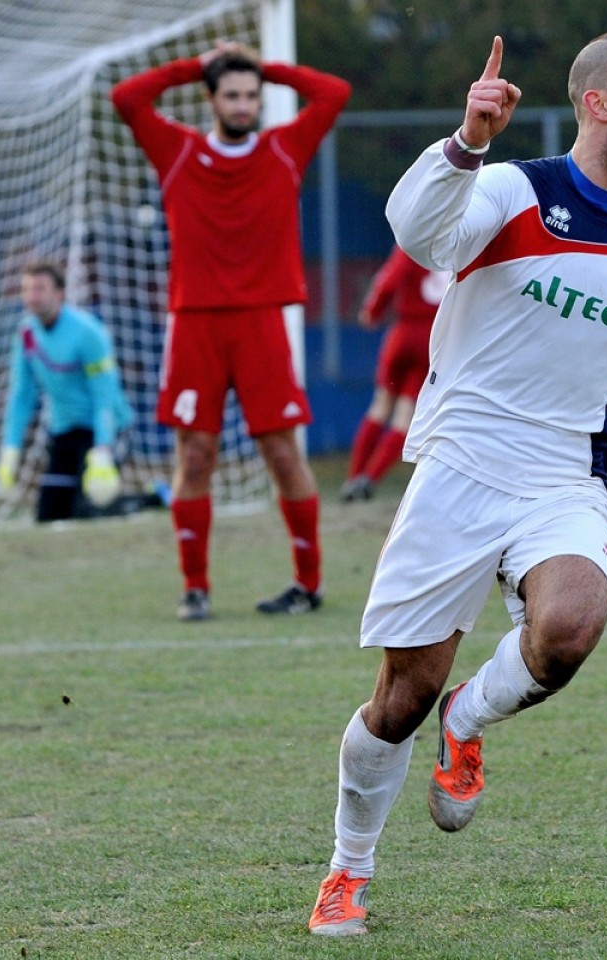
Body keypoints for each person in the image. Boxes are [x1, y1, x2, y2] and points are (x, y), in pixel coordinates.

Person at [308, 33, 607, 936]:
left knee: (569, 629)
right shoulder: (513, 189)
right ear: (599, 102)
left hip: (566, 471)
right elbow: (419, 232)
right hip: (459, 460)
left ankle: (469, 721)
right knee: (397, 699)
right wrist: (465, 142)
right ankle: (348, 870)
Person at [111, 42, 351, 622]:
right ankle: (195, 587)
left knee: (280, 452)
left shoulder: (283, 149)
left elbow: (332, 91)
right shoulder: (177, 150)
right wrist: (200, 65)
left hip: (262, 321)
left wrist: (263, 66)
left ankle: (308, 583)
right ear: (212, 99)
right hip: (194, 322)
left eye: (252, 95)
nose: (244, 104)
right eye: (233, 94)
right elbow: (127, 97)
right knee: (195, 455)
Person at [0, 261, 135, 523]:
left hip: (105, 428)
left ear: (59, 293)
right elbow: (22, 395)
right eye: (26, 289)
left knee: (90, 508)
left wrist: (103, 447)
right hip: (65, 430)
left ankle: (152, 499)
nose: (31, 296)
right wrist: (11, 448)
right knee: (49, 516)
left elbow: (104, 396)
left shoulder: (89, 333)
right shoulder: (26, 333)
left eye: (40, 289)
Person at [340, 245, 449, 502]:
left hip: (403, 333)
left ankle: (353, 477)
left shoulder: (416, 240)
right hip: (433, 340)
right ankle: (370, 479)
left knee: (380, 405)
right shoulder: (458, 244)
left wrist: (372, 311)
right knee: (405, 415)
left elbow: (389, 279)